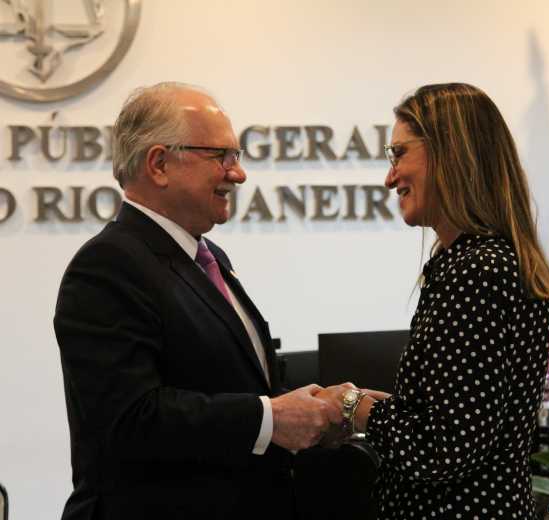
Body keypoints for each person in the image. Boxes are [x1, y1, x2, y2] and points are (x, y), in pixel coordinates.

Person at [53, 82, 341, 520]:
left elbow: (228, 385)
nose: (238, 173)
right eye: (220, 156)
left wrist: (311, 407)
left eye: (236, 156)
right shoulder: (106, 265)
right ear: (159, 164)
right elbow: (129, 418)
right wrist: (270, 418)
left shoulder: (209, 258)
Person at [325, 83, 549, 519]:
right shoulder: (479, 263)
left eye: (399, 154)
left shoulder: (477, 272)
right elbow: (458, 419)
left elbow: (442, 450)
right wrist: (378, 406)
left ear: (449, 153)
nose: (390, 178)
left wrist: (351, 405)